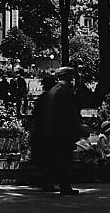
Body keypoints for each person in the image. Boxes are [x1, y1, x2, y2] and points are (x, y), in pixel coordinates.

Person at [43, 66, 84, 195]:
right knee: (65, 159)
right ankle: (65, 186)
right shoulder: (65, 90)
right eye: (72, 76)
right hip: (63, 131)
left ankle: (49, 182)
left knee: (56, 158)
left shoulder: (55, 89)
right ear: (68, 77)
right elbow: (70, 111)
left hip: (54, 130)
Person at [29, 73, 57, 189]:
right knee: (49, 158)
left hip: (41, 132)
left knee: (45, 158)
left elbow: (35, 115)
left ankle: (45, 181)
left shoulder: (43, 98)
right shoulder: (51, 98)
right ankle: (46, 181)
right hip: (47, 132)